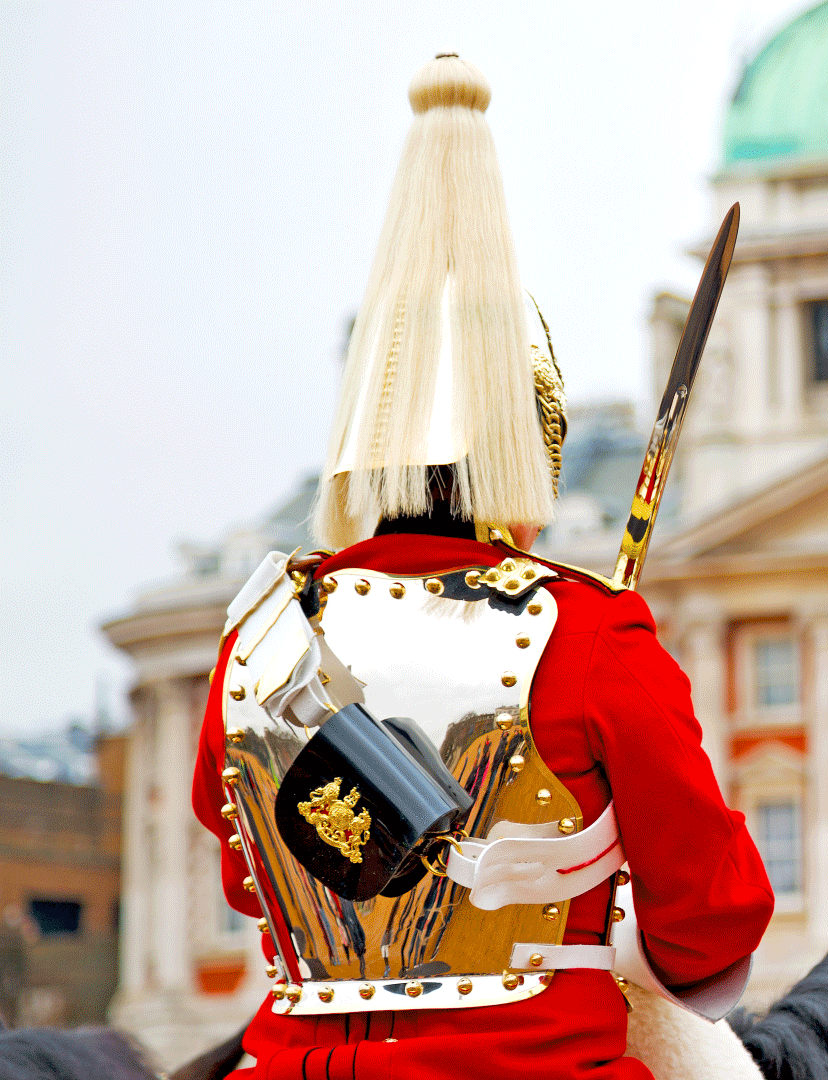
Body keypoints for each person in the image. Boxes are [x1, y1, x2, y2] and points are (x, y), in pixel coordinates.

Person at [189, 54, 773, 1080]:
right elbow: (715, 921)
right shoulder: (591, 636)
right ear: (526, 434)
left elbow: (258, 885)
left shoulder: (262, 639)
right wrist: (604, 911)